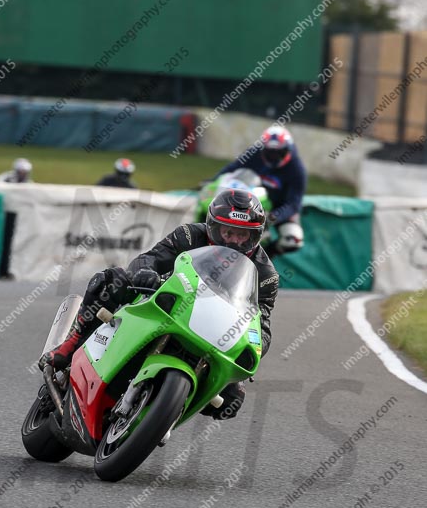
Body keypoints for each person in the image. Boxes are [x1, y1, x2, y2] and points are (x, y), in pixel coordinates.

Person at [39, 189, 279, 421]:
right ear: (213, 227)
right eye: (228, 233)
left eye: (242, 235)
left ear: (255, 236)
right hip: (167, 301)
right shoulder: (188, 235)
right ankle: (72, 344)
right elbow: (150, 257)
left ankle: (165, 413)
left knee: (231, 400)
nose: (234, 241)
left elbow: (261, 323)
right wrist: (145, 271)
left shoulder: (266, 275)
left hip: (214, 331)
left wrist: (254, 346)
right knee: (111, 280)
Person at [214, 126, 306, 258]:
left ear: (288, 150)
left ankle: (265, 257)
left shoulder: (297, 170)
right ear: (263, 149)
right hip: (253, 201)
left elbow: (294, 204)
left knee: (293, 240)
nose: (274, 157)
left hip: (279, 208)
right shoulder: (254, 153)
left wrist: (275, 216)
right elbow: (233, 167)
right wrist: (213, 180)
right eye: (270, 153)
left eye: (279, 153)